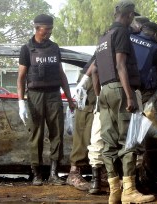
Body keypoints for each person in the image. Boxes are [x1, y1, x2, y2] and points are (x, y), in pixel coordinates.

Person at [92, 1, 155, 203]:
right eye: (132, 17)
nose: (132, 21)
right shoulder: (122, 34)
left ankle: (114, 192)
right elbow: (120, 65)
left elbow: (93, 70)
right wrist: (129, 95)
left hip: (105, 92)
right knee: (129, 140)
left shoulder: (104, 37)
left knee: (108, 143)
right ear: (128, 15)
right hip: (121, 89)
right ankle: (129, 191)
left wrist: (99, 96)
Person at [17, 14, 75, 186]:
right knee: (37, 135)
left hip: (54, 95)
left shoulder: (54, 47)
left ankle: (54, 173)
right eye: (46, 29)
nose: (49, 32)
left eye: (51, 29)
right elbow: (21, 77)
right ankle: (37, 174)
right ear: (37, 28)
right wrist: (21, 102)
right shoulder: (26, 49)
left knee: (57, 133)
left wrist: (69, 98)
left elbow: (61, 73)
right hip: (35, 95)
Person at [66, 56, 96, 191]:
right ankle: (74, 172)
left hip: (99, 79)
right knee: (84, 129)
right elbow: (98, 60)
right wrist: (85, 81)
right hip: (91, 79)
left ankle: (100, 173)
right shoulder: (117, 37)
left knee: (99, 132)